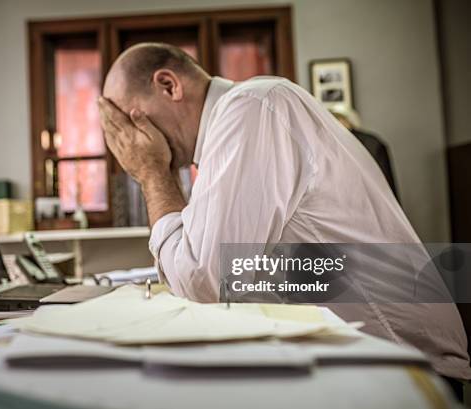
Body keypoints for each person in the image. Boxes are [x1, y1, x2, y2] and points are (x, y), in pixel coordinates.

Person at [97, 42, 470, 381]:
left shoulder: (253, 108)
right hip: (371, 358)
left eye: (127, 122)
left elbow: (202, 281)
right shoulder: (228, 136)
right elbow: (220, 271)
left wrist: (150, 172)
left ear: (169, 85)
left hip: (407, 367)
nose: (127, 142)